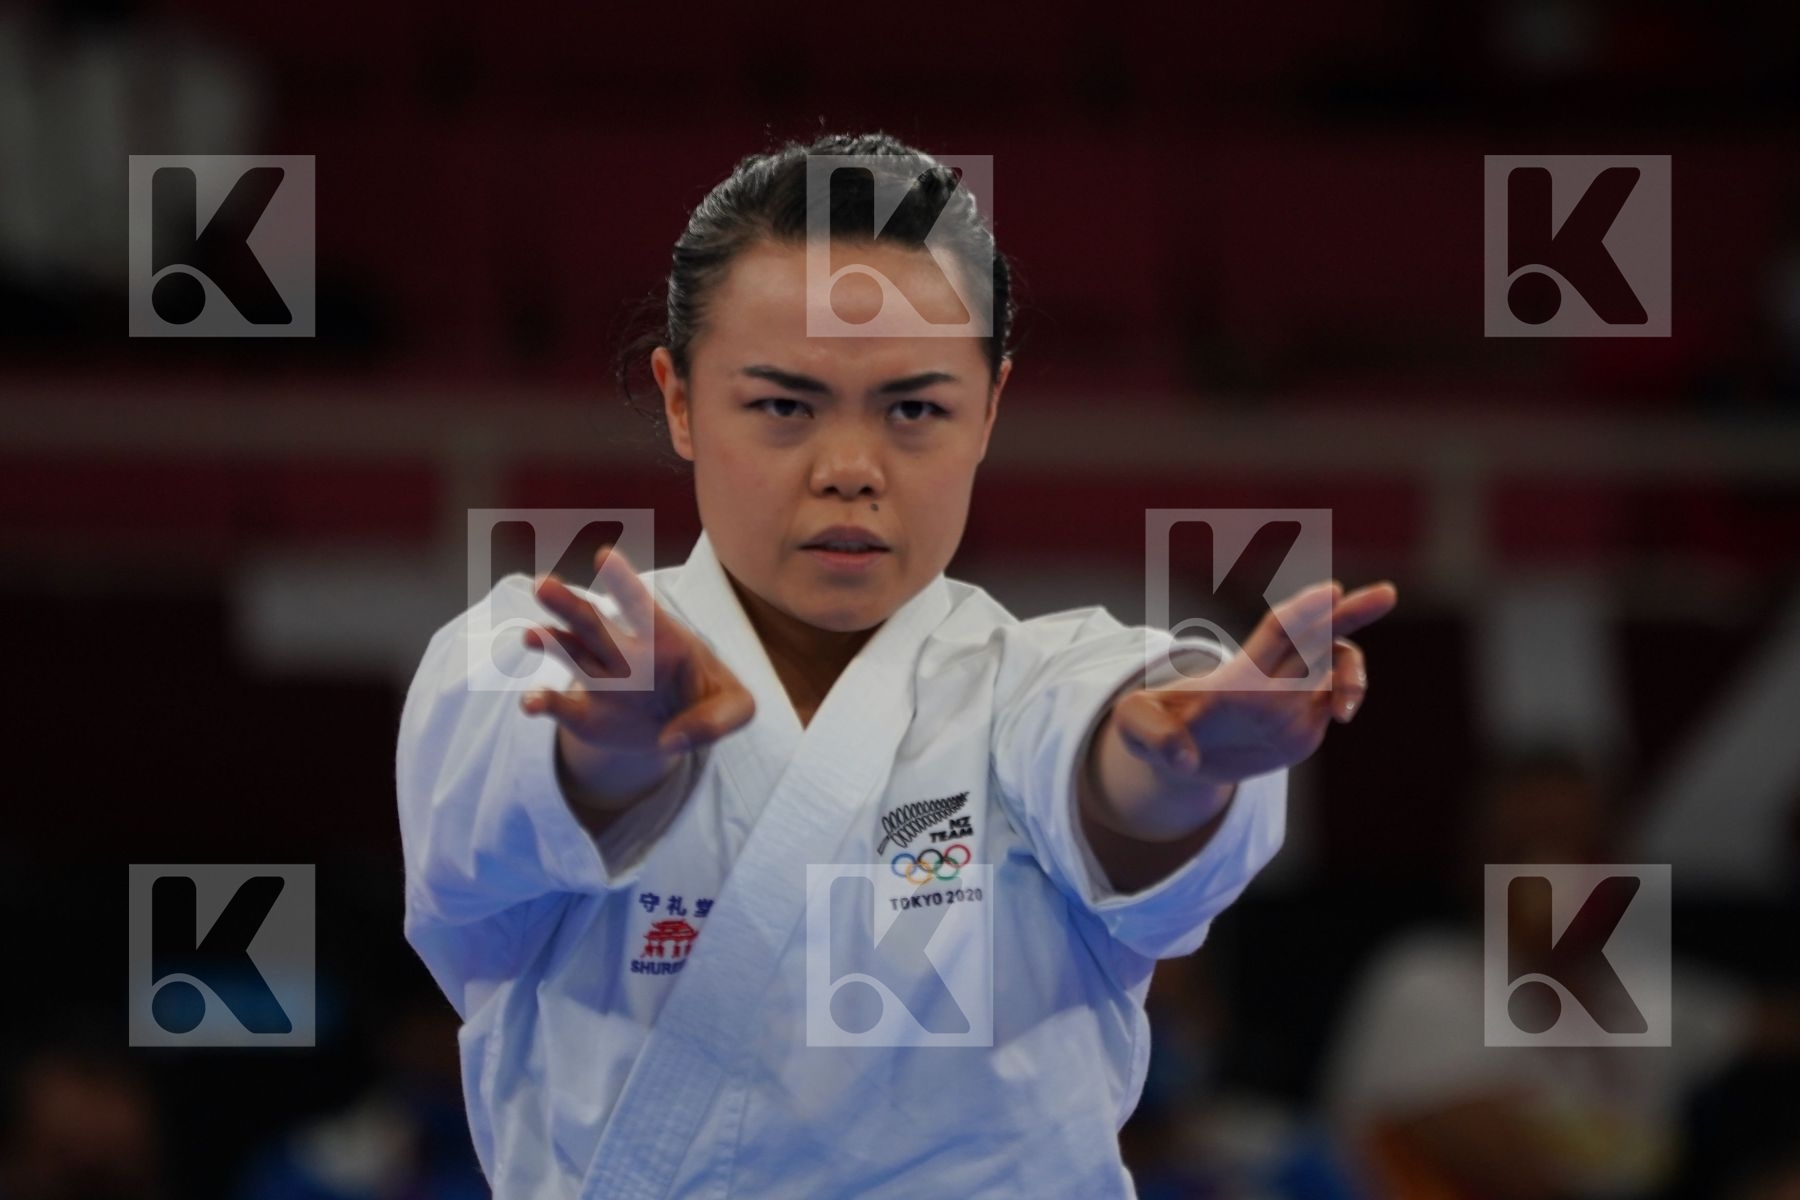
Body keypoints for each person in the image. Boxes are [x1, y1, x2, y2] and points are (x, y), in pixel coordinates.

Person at [395, 132, 1398, 1199]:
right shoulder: (520, 655)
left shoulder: (1048, 680)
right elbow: (488, 790)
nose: (850, 472)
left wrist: (1185, 767)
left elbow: (1108, 762)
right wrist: (603, 753)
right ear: (680, 401)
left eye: (915, 409)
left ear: (990, 410)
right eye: (783, 406)